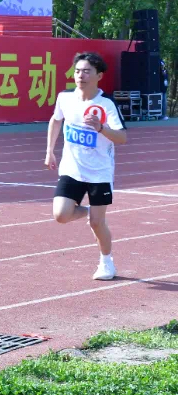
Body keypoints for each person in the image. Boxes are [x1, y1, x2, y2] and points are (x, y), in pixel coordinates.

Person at [45, 51, 127, 281]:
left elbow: (122, 137)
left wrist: (101, 128)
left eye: (87, 71)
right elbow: (56, 120)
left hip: (99, 172)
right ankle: (91, 210)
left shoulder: (106, 104)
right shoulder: (65, 98)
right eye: (77, 71)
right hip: (72, 169)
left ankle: (106, 262)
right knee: (61, 215)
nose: (81, 75)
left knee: (97, 223)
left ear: (99, 76)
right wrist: (49, 151)